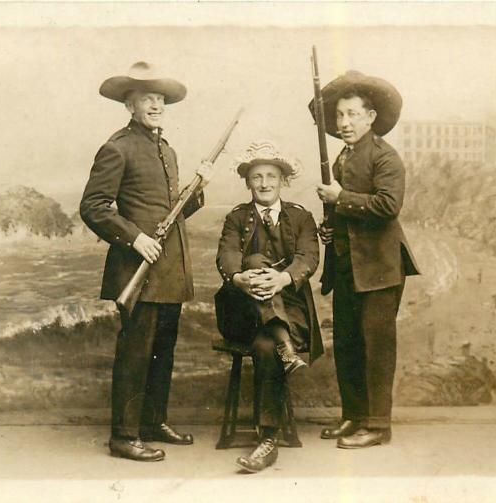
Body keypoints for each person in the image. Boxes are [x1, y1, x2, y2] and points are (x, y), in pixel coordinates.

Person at [79, 61, 214, 462]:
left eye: (160, 98)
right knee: (136, 351)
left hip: (169, 270)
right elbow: (93, 207)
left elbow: (171, 215)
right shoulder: (117, 147)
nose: (155, 104)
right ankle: (124, 435)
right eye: (146, 98)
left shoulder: (166, 150)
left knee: (163, 350)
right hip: (138, 268)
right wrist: (134, 237)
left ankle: (153, 422)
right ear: (129, 104)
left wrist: (198, 188)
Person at [312, 71, 420, 449]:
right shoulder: (343, 157)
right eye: (340, 115)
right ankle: (354, 416)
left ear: (371, 117)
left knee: (376, 346)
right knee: (348, 343)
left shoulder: (386, 157)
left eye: (353, 115)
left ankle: (377, 425)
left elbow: (387, 207)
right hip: (346, 266)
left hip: (379, 267)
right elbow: (344, 213)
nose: (344, 123)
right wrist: (331, 229)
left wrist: (340, 197)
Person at [215, 140, 323, 472]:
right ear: (248, 182)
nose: (264, 183)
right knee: (255, 259)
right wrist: (240, 278)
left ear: (282, 181)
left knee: (265, 346)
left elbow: (309, 257)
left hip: (292, 312)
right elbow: (227, 255)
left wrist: (281, 280)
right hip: (242, 312)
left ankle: (268, 440)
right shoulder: (236, 218)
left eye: (271, 177)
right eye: (257, 177)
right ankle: (286, 349)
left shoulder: (301, 217)